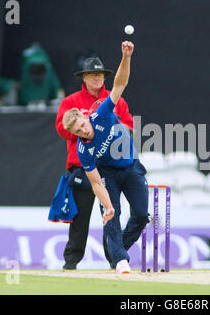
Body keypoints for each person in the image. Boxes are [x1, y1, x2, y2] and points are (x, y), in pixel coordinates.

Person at [62, 41, 149, 274]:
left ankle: (116, 250)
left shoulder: (101, 112)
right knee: (112, 216)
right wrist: (108, 207)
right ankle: (120, 260)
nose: (83, 131)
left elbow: (121, 83)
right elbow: (96, 182)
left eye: (82, 125)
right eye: (78, 131)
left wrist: (126, 57)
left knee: (141, 215)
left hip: (130, 166)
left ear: (85, 116)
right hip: (106, 174)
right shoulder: (83, 149)